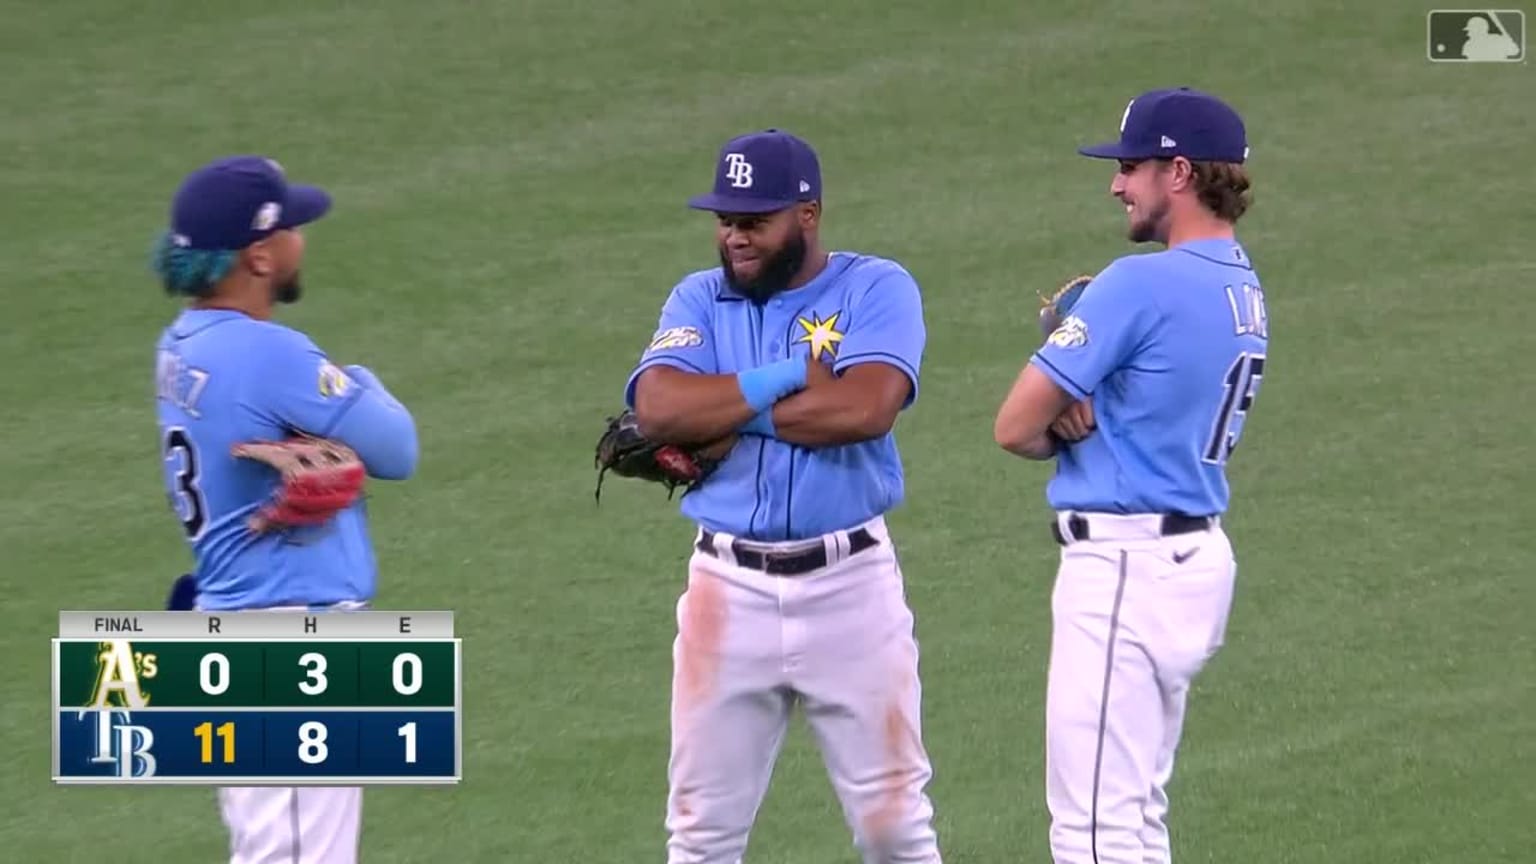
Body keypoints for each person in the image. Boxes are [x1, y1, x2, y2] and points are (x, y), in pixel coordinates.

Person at [624, 129, 944, 864]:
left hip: (851, 588)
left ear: (807, 215)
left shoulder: (876, 287)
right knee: (701, 834)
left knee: (895, 828)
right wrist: (782, 381)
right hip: (724, 591)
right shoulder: (696, 297)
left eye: (753, 221)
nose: (734, 237)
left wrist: (730, 413)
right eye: (726, 220)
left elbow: (864, 410)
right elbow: (659, 411)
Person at [991, 88, 1269, 864]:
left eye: (1132, 168)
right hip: (1192, 562)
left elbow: (1013, 426)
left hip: (1124, 568)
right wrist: (1094, 402)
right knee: (1137, 814)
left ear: (1178, 172)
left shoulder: (1138, 283)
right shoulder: (1242, 286)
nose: (1118, 185)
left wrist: (1066, 416)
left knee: (1093, 830)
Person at [151, 155, 419, 863]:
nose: (304, 237)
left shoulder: (178, 344)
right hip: (290, 644)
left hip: (228, 624)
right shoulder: (272, 355)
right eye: (293, 226)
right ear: (260, 256)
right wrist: (357, 381)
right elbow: (397, 448)